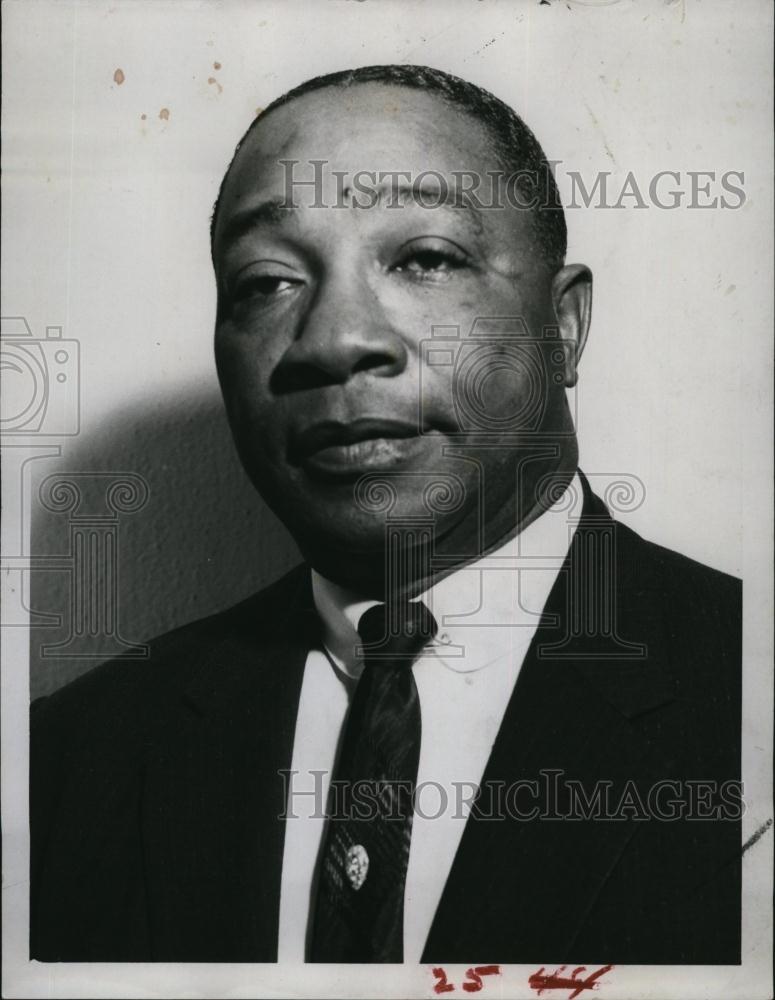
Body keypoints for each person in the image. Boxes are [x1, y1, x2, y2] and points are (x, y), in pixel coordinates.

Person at [30, 64, 741, 964]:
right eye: (267, 282)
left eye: (425, 259)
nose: (334, 338)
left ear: (562, 326)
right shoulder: (65, 762)